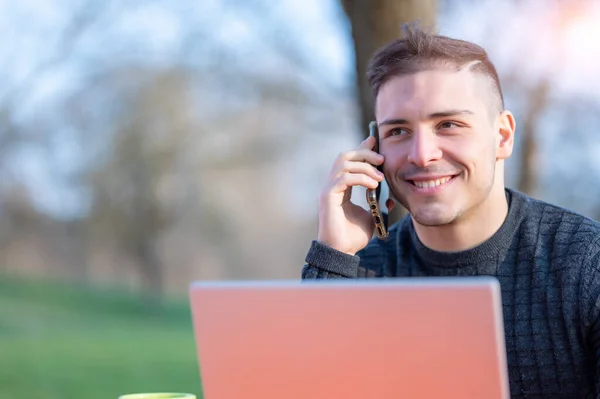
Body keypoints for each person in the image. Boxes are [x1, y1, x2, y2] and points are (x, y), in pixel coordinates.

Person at [301, 25, 600, 399]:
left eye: (449, 125)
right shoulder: (356, 271)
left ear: (503, 137)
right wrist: (333, 257)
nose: (422, 154)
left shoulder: (586, 261)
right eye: (398, 131)